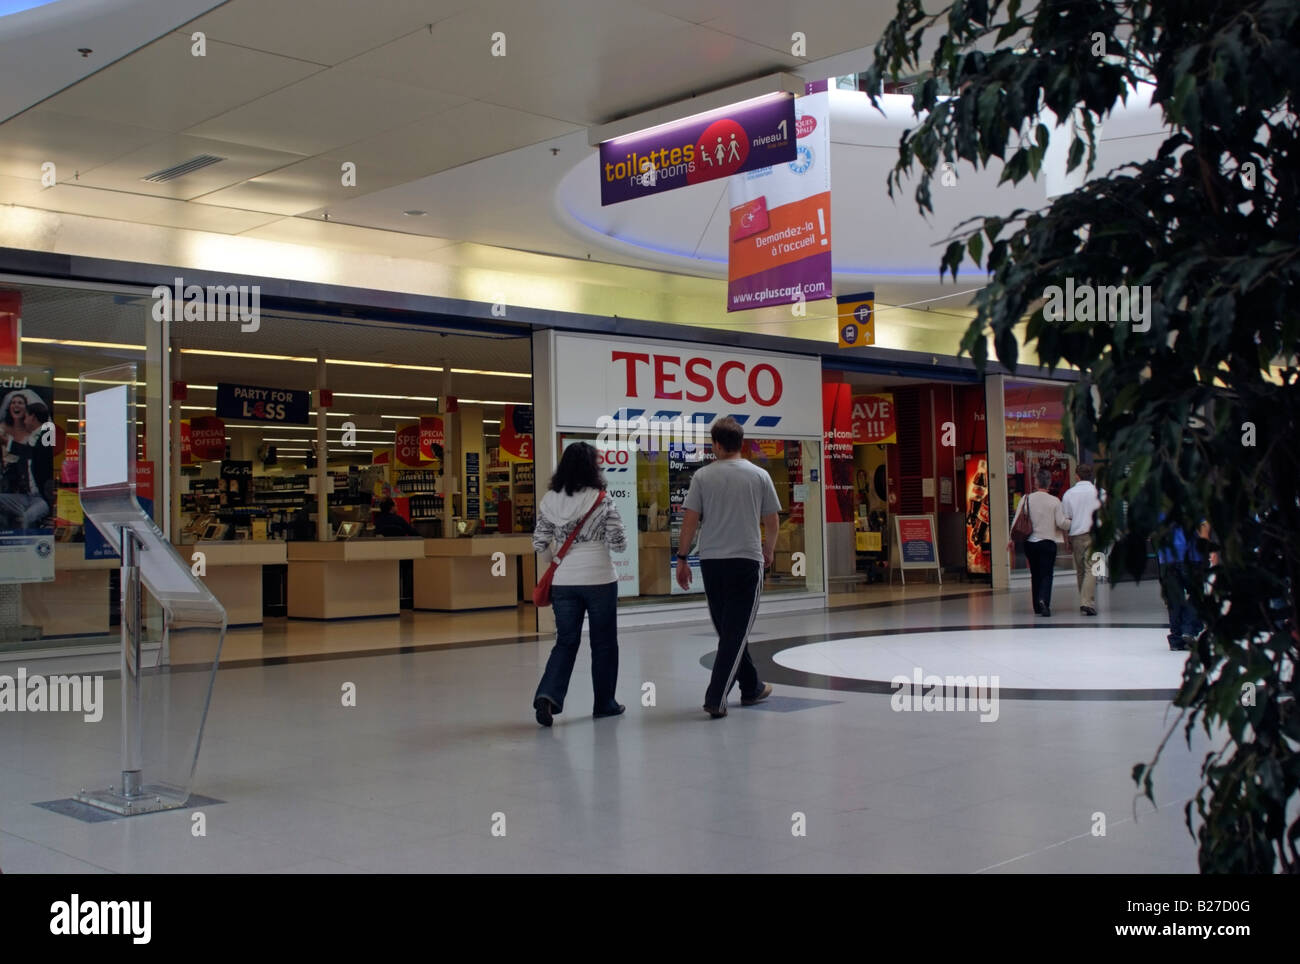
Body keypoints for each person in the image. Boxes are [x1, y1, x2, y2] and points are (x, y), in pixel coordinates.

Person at [675, 416, 779, 718]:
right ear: (740, 444)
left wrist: (682, 558)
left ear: (717, 445)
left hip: (712, 562)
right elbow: (772, 520)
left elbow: (690, 521)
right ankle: (716, 697)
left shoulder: (702, 477)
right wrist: (769, 548)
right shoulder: (759, 475)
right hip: (746, 560)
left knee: (728, 629)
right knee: (735, 631)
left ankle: (751, 686)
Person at [531, 441, 627, 727]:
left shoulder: (549, 500)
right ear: (592, 467)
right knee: (604, 643)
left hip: (564, 581)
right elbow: (619, 543)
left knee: (566, 641)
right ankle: (605, 704)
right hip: (600, 579)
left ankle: (547, 696)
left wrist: (555, 560)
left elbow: (539, 542)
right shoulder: (602, 500)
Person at [1009, 468, 1071, 617]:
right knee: (1047, 574)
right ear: (1049, 483)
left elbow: (1016, 521)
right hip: (1047, 542)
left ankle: (1037, 605)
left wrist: (1011, 539)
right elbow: (1061, 523)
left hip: (1030, 543)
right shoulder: (1055, 501)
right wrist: (1072, 522)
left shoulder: (1026, 499)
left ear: (1036, 482)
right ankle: (1044, 601)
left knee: (1035, 573)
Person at [1158, 519, 1209, 652]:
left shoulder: (1161, 508)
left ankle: (1176, 639)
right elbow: (1203, 526)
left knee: (1173, 598)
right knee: (1196, 594)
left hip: (1167, 557)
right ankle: (1188, 629)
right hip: (1191, 556)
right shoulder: (1193, 505)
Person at [0, 401, 52, 530]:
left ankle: (25, 540)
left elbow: (36, 452)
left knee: (26, 518)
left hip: (42, 498)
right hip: (27, 496)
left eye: (26, 417)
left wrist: (7, 442)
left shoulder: (47, 434)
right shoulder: (33, 438)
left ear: (32, 417)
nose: (24, 421)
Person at [1061, 463, 1103, 615]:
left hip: (1077, 535)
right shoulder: (1100, 493)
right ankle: (1087, 602)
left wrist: (1066, 539)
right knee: (1093, 569)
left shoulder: (1069, 494)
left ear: (1076, 476)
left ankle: (1084, 600)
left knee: (1080, 570)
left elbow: (1066, 519)